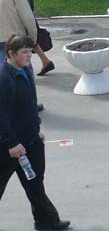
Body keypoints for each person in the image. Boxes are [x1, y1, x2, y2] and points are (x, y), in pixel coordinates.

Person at [0, 35, 71, 231]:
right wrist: (12, 143)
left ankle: (46, 221)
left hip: (30, 141)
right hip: (9, 147)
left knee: (35, 183)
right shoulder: (4, 78)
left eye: (30, 51)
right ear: (11, 54)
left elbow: (30, 105)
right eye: (24, 52)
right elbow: (1, 115)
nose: (29, 55)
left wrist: (36, 130)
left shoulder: (25, 70)